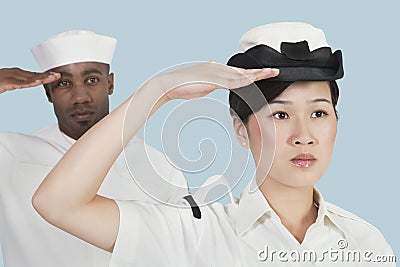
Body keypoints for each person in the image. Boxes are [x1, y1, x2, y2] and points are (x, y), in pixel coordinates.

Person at [32, 23, 395, 266]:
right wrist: (160, 90)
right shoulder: (192, 233)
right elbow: (57, 203)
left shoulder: (366, 242)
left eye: (319, 113)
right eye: (280, 115)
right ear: (241, 130)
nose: (304, 134)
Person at [0, 30, 187, 267]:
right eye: (64, 83)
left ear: (109, 83)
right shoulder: (10, 156)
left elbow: (184, 248)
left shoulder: (160, 167)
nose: (80, 97)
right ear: (48, 92)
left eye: (91, 80)